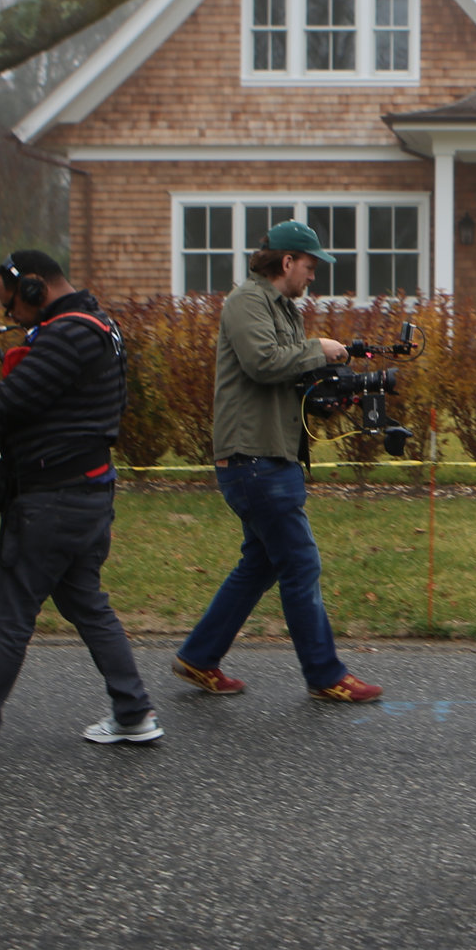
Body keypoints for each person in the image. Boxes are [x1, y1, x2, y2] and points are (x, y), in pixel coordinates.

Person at [0, 249, 161, 762]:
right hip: (89, 495)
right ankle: (134, 714)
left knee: (9, 610)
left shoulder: (68, 334)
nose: (10, 317)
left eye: (12, 304)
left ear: (36, 288)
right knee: (84, 601)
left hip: (53, 501)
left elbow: (10, 401)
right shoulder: (99, 327)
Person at [170, 218, 384, 705]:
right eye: (309, 267)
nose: (313, 277)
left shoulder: (284, 309)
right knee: (300, 561)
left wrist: (328, 394)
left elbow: (284, 378)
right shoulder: (247, 301)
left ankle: (198, 657)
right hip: (253, 460)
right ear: (286, 262)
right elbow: (263, 361)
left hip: (270, 455)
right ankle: (325, 673)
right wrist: (319, 350)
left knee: (262, 563)